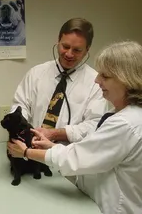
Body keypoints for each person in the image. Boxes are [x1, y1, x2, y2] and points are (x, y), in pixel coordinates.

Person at [8, 41, 142, 214]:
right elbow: (91, 152)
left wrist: (26, 152)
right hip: (85, 192)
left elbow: (77, 159)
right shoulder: (121, 115)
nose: (97, 80)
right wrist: (51, 146)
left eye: (105, 76)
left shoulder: (125, 123)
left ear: (127, 80)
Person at [10, 17, 108, 144]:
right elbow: (19, 106)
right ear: (58, 41)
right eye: (65, 46)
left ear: (87, 50)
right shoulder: (36, 73)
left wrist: (55, 134)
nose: (69, 54)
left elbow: (94, 125)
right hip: (31, 152)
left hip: (68, 158)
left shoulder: (96, 83)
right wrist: (21, 130)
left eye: (77, 50)